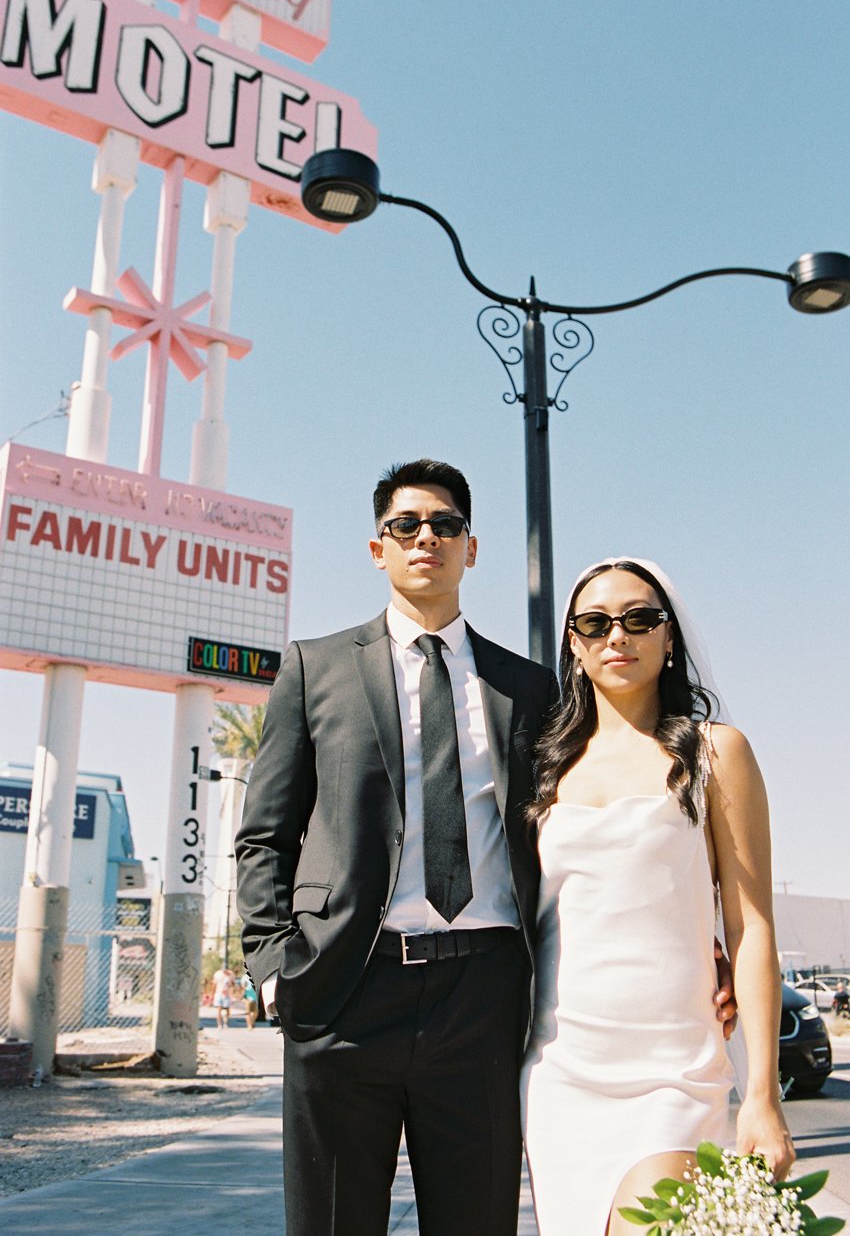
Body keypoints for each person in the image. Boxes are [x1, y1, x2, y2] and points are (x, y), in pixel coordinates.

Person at [234, 458, 558, 1236]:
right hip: (347, 987)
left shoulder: (528, 687)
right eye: (405, 525)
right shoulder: (315, 668)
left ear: (470, 548)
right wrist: (278, 968)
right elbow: (264, 835)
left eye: (445, 525)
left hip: (480, 996)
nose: (426, 538)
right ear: (377, 548)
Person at [520, 557, 794, 1235]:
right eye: (595, 622)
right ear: (575, 647)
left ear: (669, 638)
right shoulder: (540, 769)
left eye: (640, 618)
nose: (619, 635)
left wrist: (762, 1092)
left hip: (674, 1069)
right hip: (561, 1072)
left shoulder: (716, 753)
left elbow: (751, 925)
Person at [212, 964, 235, 1029]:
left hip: (227, 995)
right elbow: (213, 984)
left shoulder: (230, 975)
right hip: (219, 993)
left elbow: (233, 985)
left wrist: (231, 993)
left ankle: (225, 1023)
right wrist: (213, 994)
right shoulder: (217, 974)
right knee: (219, 1009)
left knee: (227, 1010)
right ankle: (219, 1024)